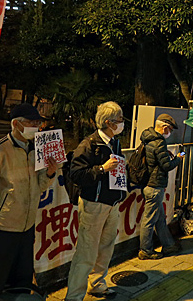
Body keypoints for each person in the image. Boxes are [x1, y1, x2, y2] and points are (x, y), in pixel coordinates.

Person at [0, 103, 59, 301]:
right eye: (31, 122)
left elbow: (39, 186)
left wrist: (50, 173)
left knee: (21, 282)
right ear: (16, 124)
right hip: (1, 230)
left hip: (26, 229)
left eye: (38, 123)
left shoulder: (36, 150)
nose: (36, 127)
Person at [65, 101, 128, 300]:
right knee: (86, 252)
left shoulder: (114, 142)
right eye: (120, 119)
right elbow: (76, 174)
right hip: (93, 204)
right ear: (109, 122)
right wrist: (102, 169)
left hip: (112, 203)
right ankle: (74, 296)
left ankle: (97, 284)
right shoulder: (88, 145)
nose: (122, 123)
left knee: (106, 248)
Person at [139, 114, 184, 258]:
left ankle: (168, 245)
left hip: (149, 183)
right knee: (149, 221)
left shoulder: (148, 138)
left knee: (159, 219)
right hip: (155, 185)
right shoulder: (159, 143)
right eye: (170, 129)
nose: (170, 132)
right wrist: (178, 159)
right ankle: (145, 250)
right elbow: (166, 165)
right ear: (164, 127)